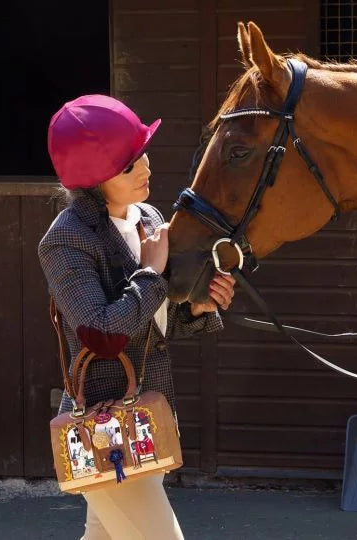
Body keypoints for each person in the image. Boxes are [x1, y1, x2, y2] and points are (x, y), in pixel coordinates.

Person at [39, 94, 235, 540]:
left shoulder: (147, 217)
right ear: (93, 178)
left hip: (150, 418)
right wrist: (150, 273)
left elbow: (153, 326)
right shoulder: (65, 240)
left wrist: (198, 309)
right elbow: (101, 335)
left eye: (142, 152)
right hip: (103, 429)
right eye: (129, 164)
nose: (145, 166)